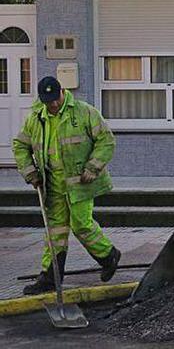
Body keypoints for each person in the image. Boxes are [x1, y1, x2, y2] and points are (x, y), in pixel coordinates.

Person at [12, 76, 120, 295]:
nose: (52, 105)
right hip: (52, 186)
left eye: (55, 99)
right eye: (47, 101)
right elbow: (20, 145)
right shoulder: (36, 118)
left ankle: (109, 255)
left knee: (81, 225)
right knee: (55, 230)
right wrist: (30, 172)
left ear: (62, 92)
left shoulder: (83, 112)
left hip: (81, 184)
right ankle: (50, 276)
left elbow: (106, 140)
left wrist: (93, 167)